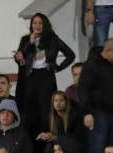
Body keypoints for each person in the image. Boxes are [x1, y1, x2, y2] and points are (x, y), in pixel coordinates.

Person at [14, 12, 76, 145]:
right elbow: (19, 58)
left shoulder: (52, 39)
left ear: (45, 25)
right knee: (30, 112)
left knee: (45, 111)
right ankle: (32, 146)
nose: (37, 25)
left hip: (46, 77)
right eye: (34, 23)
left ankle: (47, 144)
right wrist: (30, 43)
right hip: (30, 77)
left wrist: (57, 67)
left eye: (40, 23)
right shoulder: (25, 39)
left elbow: (70, 55)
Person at [80, 38, 113, 153]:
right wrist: (87, 112)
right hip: (98, 113)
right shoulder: (91, 66)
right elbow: (83, 89)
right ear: (107, 51)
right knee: (97, 150)